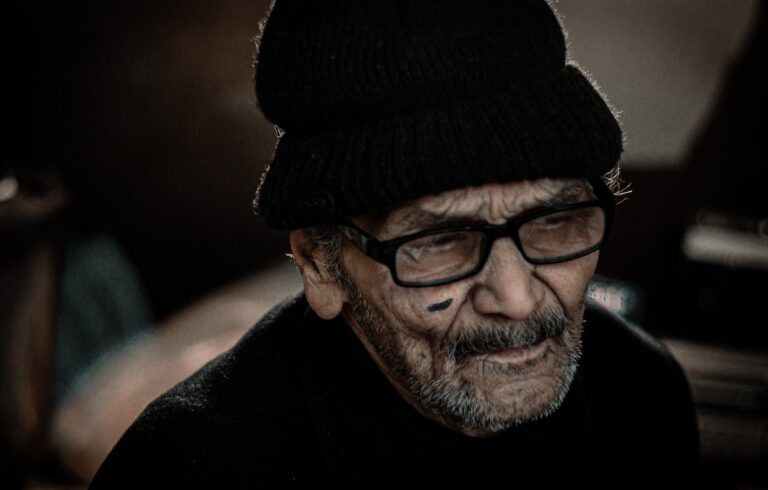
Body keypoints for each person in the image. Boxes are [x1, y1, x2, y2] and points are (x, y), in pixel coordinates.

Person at [90, 0, 700, 488]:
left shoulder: (642, 395)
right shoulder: (191, 469)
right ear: (320, 265)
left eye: (552, 221)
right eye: (441, 243)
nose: (516, 300)